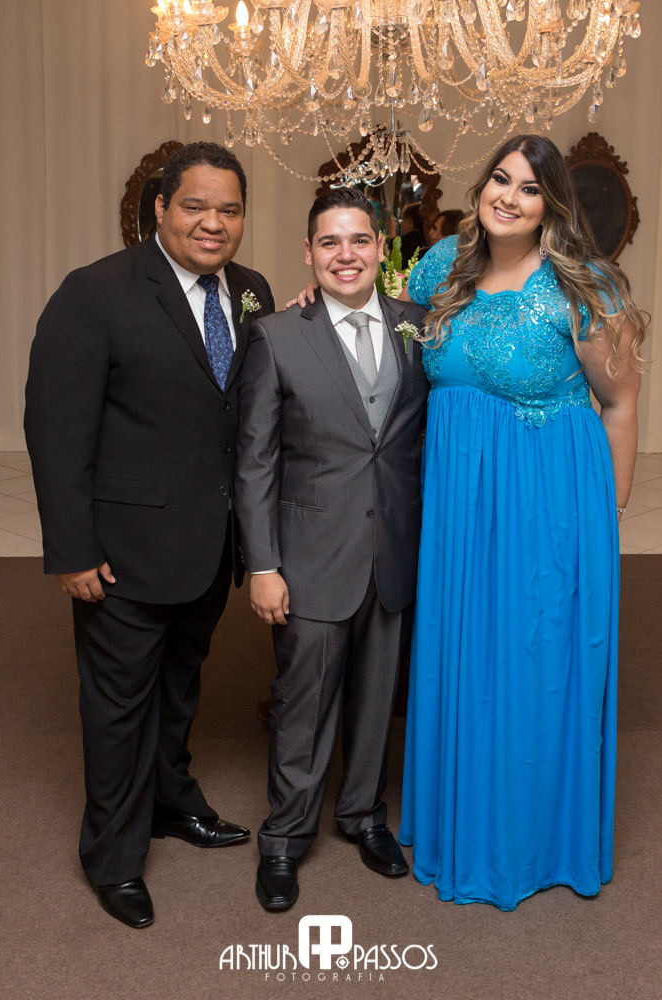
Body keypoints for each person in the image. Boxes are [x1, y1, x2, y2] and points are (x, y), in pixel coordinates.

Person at [24, 142, 275, 929]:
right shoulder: (94, 292)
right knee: (118, 707)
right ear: (161, 209)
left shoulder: (253, 292)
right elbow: (55, 431)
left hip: (208, 543)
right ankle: (112, 857)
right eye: (195, 206)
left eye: (228, 209)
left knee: (178, 686)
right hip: (122, 552)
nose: (212, 223)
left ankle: (171, 801)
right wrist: (71, 549)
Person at [397, 134, 646, 910]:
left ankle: (532, 842)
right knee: (463, 651)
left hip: (548, 502)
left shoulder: (582, 287)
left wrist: (605, 519)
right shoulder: (439, 267)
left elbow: (620, 403)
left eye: (529, 188)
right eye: (499, 179)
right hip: (457, 504)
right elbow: (379, 323)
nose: (507, 196)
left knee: (533, 658)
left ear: (551, 206)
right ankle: (462, 821)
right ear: (480, 187)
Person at [235, 187, 428, 911]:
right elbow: (255, 462)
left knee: (378, 699)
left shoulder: (419, 327)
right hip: (310, 553)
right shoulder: (277, 335)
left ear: (380, 248)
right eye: (329, 242)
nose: (345, 255)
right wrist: (262, 565)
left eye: (358, 240)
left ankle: (362, 815)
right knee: (303, 703)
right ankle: (284, 838)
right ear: (309, 253)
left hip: (392, 549)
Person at [400, 202, 426, 269]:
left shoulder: (402, 244)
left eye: (403, 219)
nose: (402, 223)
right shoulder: (428, 242)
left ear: (409, 221)